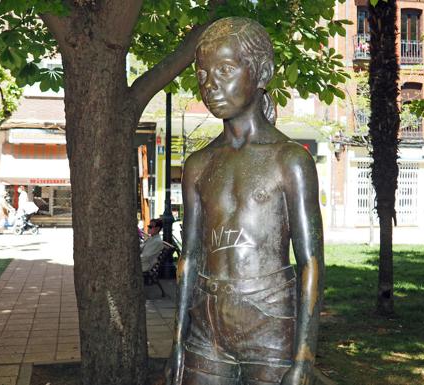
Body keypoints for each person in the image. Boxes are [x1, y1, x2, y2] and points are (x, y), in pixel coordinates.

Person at [167, 17, 324, 385]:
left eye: (225, 69)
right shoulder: (199, 164)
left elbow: (311, 263)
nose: (211, 85)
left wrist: (303, 358)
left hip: (270, 322)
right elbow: (188, 258)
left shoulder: (289, 160)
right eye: (203, 74)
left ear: (262, 71)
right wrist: (178, 342)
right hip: (207, 325)